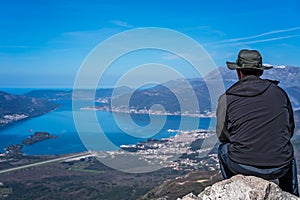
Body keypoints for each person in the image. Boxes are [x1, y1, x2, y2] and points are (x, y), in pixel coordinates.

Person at [216, 49, 299, 196]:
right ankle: (291, 195)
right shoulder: (280, 93)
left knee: (223, 149)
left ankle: (236, 192)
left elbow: (222, 136)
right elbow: (289, 130)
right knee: (288, 152)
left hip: (242, 165)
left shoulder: (227, 98)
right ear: (260, 72)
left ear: (238, 72)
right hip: (280, 167)